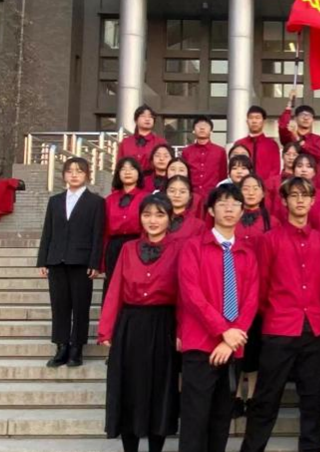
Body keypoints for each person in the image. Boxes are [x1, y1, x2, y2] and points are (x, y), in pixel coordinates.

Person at [242, 177, 320, 452]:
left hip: (314, 329)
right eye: (294, 195)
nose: (300, 200)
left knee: (313, 401)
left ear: (313, 201)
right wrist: (275, 313)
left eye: (305, 195)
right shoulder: (269, 240)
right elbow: (260, 286)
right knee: (265, 399)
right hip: (278, 329)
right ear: (284, 201)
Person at [177, 184, 260, 452]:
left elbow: (251, 300)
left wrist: (231, 340)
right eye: (222, 203)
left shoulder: (247, 253)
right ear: (211, 210)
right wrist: (223, 331)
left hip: (233, 349)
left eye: (235, 204)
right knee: (194, 419)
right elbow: (192, 294)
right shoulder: (193, 247)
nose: (229, 209)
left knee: (221, 419)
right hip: (200, 345)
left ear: (242, 211)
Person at [98, 194, 181, 452]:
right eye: (147, 215)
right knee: (129, 388)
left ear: (170, 218)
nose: (153, 220)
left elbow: (184, 294)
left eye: (159, 215)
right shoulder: (127, 248)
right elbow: (115, 289)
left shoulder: (180, 249)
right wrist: (106, 330)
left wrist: (182, 331)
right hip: (130, 326)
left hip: (163, 325)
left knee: (160, 389)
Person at [37, 157, 105, 368]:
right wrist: (42, 260)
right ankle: (61, 347)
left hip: (82, 262)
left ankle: (77, 348)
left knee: (81, 306)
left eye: (79, 171)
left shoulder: (96, 202)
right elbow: (47, 231)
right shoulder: (55, 201)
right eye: (70, 171)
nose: (74, 174)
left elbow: (97, 234)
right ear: (64, 175)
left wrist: (95, 262)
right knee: (59, 306)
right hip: (56, 260)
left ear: (87, 175)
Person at [233, 174, 275, 419]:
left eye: (255, 188)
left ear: (263, 193)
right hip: (233, 287)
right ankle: (236, 395)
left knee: (256, 345)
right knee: (237, 342)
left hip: (261, 288)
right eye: (245, 188)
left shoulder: (272, 221)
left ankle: (252, 396)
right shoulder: (231, 217)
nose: (250, 192)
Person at [104, 157, 148, 302]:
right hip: (114, 246)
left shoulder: (146, 198)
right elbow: (104, 230)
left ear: (139, 173)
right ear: (118, 174)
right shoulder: (109, 200)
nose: (127, 172)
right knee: (112, 284)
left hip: (137, 243)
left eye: (132, 169)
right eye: (123, 169)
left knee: (134, 283)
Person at [182, 116, 228, 198]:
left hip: (213, 196)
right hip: (192, 196)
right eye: (199, 126)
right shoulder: (186, 152)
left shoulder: (220, 151)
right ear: (193, 130)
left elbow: (223, 176)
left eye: (205, 126)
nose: (202, 128)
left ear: (211, 130)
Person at [234, 105, 281, 180]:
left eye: (257, 118)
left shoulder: (271, 145)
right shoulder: (239, 144)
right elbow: (234, 167)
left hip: (265, 186)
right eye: (251, 118)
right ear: (247, 121)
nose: (254, 121)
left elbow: (275, 171)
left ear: (264, 121)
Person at [278, 91, 320, 165]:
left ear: (313, 120)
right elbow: (283, 126)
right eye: (302, 115)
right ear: (295, 118)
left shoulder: (318, 140)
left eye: (309, 116)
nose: (306, 118)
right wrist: (290, 103)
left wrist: (298, 138)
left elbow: (317, 156)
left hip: (313, 173)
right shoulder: (290, 137)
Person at [118, 104, 168, 172]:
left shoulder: (161, 142)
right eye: (143, 116)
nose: (147, 119)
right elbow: (119, 165)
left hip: (152, 177)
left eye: (150, 117)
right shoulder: (126, 142)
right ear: (136, 120)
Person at [164, 176, 206, 241]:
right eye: (172, 191)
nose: (177, 195)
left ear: (190, 196)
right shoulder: (157, 220)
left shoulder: (198, 225)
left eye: (182, 192)